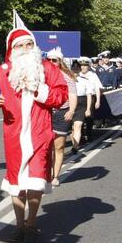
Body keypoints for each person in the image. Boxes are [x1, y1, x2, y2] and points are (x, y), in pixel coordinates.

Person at [0, 30, 68, 243]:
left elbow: (61, 96)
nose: (26, 48)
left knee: (36, 178)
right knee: (16, 182)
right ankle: (19, 225)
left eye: (30, 44)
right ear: (12, 49)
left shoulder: (47, 68)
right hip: (14, 133)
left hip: (39, 132)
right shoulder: (4, 71)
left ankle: (31, 221)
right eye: (20, 45)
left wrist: (40, 89)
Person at [46, 48, 77, 187]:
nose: (51, 62)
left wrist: (71, 110)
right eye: (49, 60)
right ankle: (45, 173)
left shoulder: (67, 77)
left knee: (58, 147)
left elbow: (72, 96)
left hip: (61, 113)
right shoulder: (43, 75)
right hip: (45, 113)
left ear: (60, 62)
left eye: (54, 60)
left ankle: (55, 176)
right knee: (46, 147)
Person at [71, 58, 93, 153]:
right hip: (70, 102)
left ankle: (75, 147)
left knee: (78, 125)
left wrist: (88, 109)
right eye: (74, 68)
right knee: (73, 127)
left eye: (77, 68)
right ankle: (74, 143)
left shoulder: (85, 80)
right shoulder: (67, 80)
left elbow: (89, 95)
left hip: (81, 103)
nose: (75, 69)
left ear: (80, 69)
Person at [78, 57, 102, 142]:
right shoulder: (77, 75)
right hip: (80, 98)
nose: (83, 67)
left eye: (85, 65)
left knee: (89, 118)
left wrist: (98, 101)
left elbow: (97, 88)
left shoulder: (93, 75)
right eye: (81, 65)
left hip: (91, 98)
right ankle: (80, 136)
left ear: (88, 66)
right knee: (79, 118)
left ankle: (89, 134)